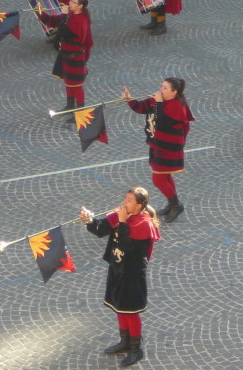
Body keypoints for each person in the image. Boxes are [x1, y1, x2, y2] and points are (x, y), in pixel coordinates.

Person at [81, 187, 161, 366]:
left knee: (130, 311)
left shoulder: (144, 224)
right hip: (117, 268)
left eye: (130, 200)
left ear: (140, 206)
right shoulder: (121, 216)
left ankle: (136, 348)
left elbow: (129, 247)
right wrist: (88, 219)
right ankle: (124, 341)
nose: (125, 202)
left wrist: (123, 222)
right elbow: (100, 229)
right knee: (119, 306)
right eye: (125, 198)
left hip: (132, 273)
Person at [123, 79, 194, 222]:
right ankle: (173, 203)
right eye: (162, 86)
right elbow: (142, 107)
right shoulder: (158, 100)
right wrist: (129, 100)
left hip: (168, 147)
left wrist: (159, 102)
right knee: (165, 176)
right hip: (157, 144)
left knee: (158, 178)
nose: (161, 90)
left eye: (165, 88)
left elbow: (162, 122)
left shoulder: (176, 106)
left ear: (174, 92)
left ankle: (175, 204)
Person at [38, 0, 92, 118]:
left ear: (80, 6)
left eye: (73, 2)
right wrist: (41, 13)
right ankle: (70, 106)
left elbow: (63, 30)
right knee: (68, 82)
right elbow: (54, 22)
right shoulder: (71, 15)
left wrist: (64, 15)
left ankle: (80, 112)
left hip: (75, 57)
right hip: (66, 55)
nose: (69, 3)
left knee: (77, 86)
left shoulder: (81, 20)